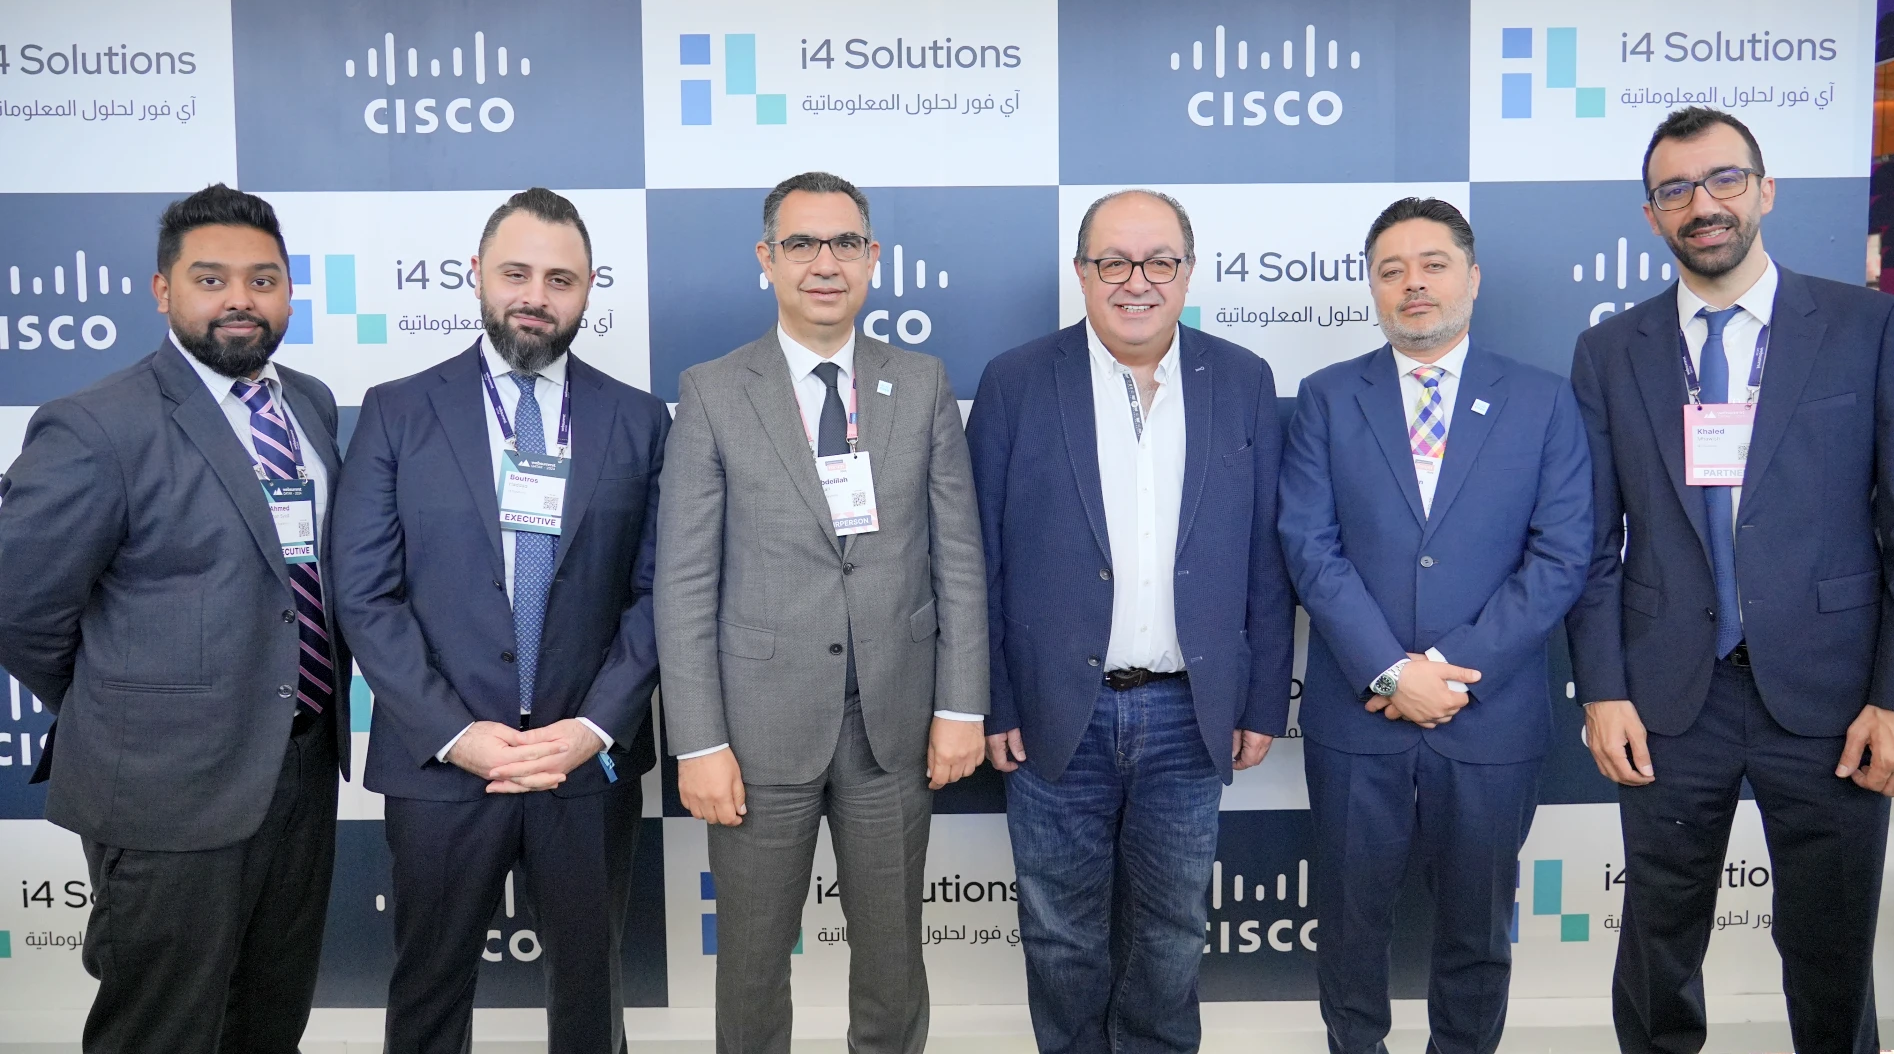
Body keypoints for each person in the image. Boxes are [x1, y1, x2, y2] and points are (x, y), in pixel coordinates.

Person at [1569, 107, 1894, 1054]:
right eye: (1676, 190)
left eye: (1724, 180)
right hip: (1670, 696)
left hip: (1835, 697)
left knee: (1832, 951)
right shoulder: (1610, 351)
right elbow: (1593, 543)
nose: (1703, 205)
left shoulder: (1872, 326)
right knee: (1655, 950)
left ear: (1766, 192)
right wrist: (1602, 689)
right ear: (1652, 216)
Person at [0, 185, 350, 1053]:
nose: (242, 299)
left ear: (289, 292)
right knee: (160, 1034)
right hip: (164, 791)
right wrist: (125, 699)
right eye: (212, 278)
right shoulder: (95, 426)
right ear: (163, 292)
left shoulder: (308, 404)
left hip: (298, 774)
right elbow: (18, 603)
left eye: (264, 279)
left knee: (268, 1022)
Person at [654, 170, 989, 1054]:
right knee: (753, 965)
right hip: (759, 733)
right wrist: (698, 740)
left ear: (873, 260)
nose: (824, 263)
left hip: (894, 725)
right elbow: (684, 584)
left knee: (892, 961)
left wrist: (960, 708)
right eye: (801, 244)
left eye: (844, 243)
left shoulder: (920, 384)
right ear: (767, 260)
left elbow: (959, 559)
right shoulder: (715, 391)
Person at [331, 188, 669, 1053]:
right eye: (516, 272)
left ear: (591, 288)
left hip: (582, 762)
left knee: (591, 1002)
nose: (536, 295)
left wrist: (592, 727)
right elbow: (365, 592)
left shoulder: (637, 419)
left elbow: (660, 590)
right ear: (477, 275)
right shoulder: (397, 409)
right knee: (429, 993)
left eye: (560, 279)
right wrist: (455, 732)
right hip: (442, 765)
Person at [966, 189, 1293, 1054]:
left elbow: (1265, 554)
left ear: (1188, 273)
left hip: (1189, 715)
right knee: (1061, 938)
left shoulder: (1244, 378)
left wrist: (1260, 702)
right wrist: (995, 702)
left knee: (1172, 937)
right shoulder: (1015, 380)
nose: (1136, 282)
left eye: (1159, 262)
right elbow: (979, 562)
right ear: (1082, 273)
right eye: (1113, 262)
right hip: (1050, 714)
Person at [1279, 197, 1592, 1053]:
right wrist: (1390, 669)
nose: (1413, 284)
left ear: (1472, 277)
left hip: (1488, 716)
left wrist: (1446, 669)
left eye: (1433, 264)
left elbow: (1561, 558)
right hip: (1360, 715)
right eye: (1391, 270)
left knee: (1478, 932)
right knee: (1348, 925)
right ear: (1373, 289)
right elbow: (1309, 547)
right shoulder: (1327, 399)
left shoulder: (1542, 401)